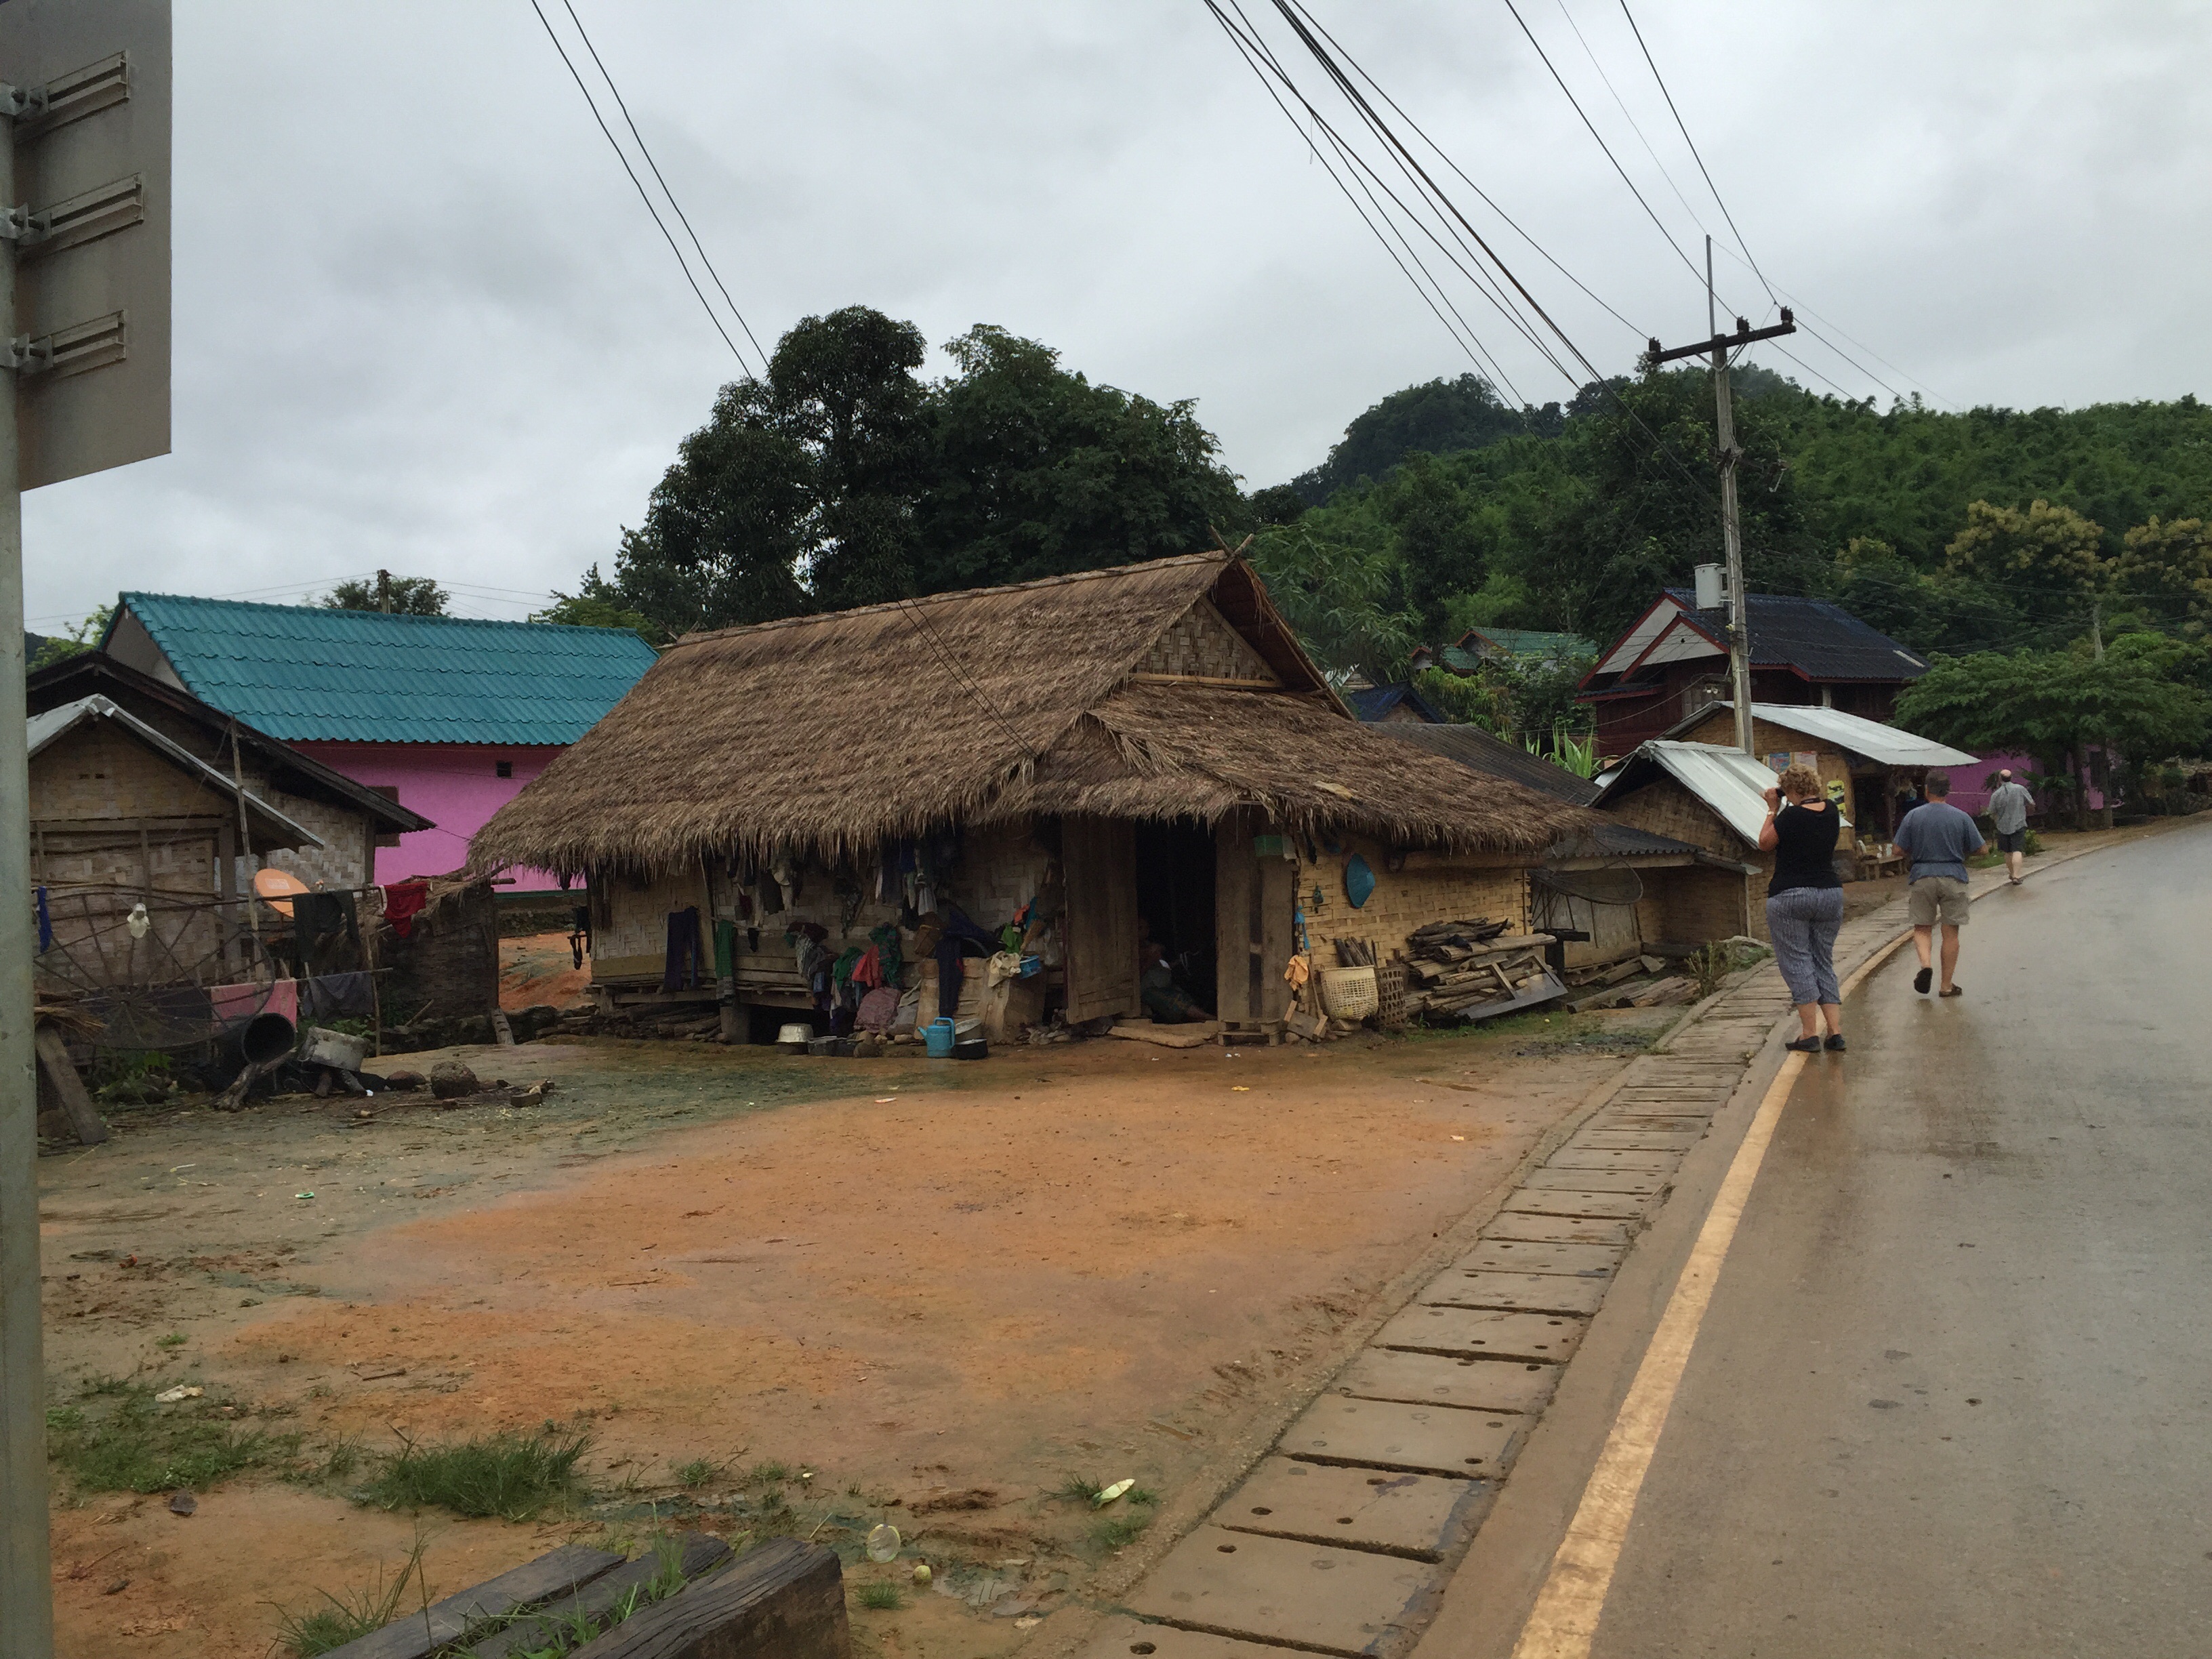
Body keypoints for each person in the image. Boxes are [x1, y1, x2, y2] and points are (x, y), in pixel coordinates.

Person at [1759, 763, 1846, 1053]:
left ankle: (1809, 1034)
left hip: (1791, 896)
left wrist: (1772, 809)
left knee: (1797, 960)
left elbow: (1764, 843)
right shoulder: (1832, 810)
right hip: (1830, 893)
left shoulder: (1791, 815)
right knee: (1823, 960)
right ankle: (1835, 1032)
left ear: (1791, 790)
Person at [1892, 769, 1990, 998]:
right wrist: (1961, 852)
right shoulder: (1961, 817)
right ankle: (1946, 986)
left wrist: (1914, 851)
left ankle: (1926, 966)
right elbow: (1983, 849)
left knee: (1922, 927)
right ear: (1948, 791)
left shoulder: (1913, 816)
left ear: (1926, 790)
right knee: (1951, 933)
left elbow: (1897, 849)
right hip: (1954, 875)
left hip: (1922, 875)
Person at [1987, 768, 2036, 885]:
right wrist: (2027, 813)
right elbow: (2031, 803)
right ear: (2011, 778)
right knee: (2017, 850)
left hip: (2002, 826)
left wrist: (1996, 820)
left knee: (2008, 852)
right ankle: (2017, 876)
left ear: (2000, 779)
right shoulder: (2020, 789)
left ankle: (2012, 873)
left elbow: (1991, 811)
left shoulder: (1996, 794)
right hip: (2019, 823)